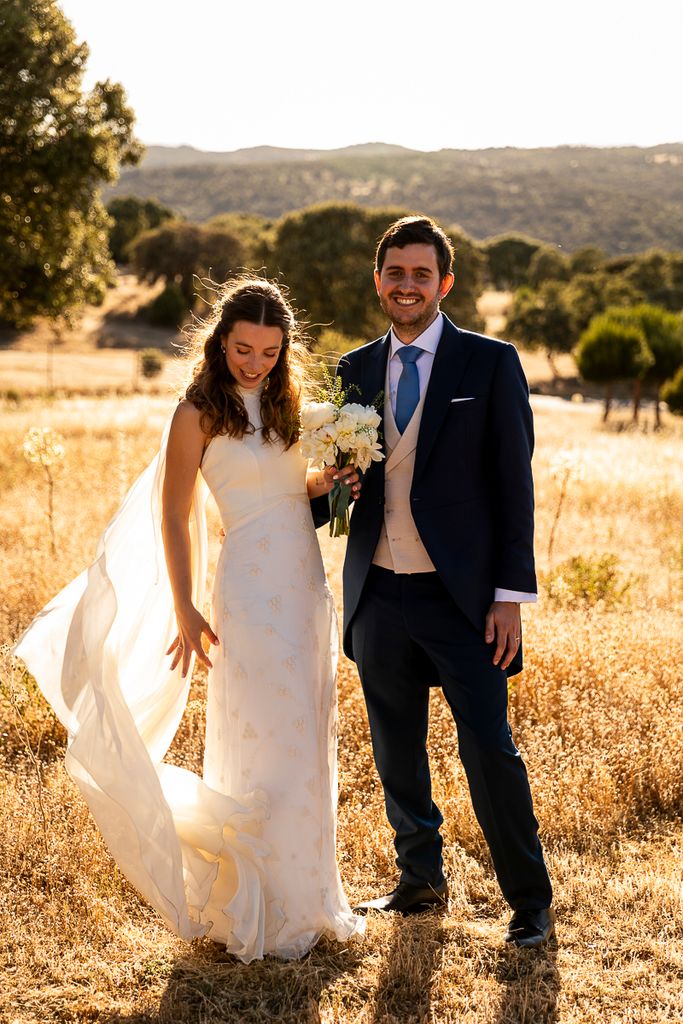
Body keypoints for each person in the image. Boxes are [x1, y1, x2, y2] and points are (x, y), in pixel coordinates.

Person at [13, 276, 364, 962]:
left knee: (304, 730)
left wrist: (336, 476)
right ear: (219, 341)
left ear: (284, 349)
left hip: (303, 584)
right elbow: (174, 514)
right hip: (246, 592)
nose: (254, 362)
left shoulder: (293, 406)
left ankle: (308, 895)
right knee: (260, 726)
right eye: (242, 348)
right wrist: (183, 603)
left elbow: (290, 486)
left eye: (268, 350)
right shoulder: (195, 413)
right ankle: (253, 902)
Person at [336, 216, 554, 948]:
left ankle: (528, 903)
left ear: (444, 283)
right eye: (394, 272)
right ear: (378, 280)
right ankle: (418, 884)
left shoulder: (489, 363)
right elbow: (336, 487)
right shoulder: (352, 370)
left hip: (463, 600)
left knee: (488, 748)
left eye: (420, 275)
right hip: (376, 594)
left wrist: (509, 598)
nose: (406, 286)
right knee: (395, 748)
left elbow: (511, 486)